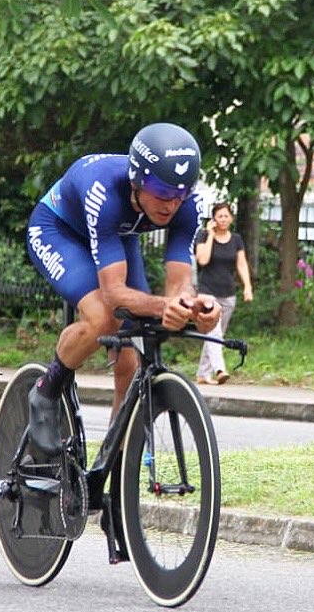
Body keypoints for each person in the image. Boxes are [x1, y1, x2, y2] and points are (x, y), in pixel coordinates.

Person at [25, 123, 221, 458]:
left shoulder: (186, 205)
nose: (171, 204)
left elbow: (179, 284)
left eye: (181, 194)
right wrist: (164, 306)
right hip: (59, 231)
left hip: (116, 235)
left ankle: (115, 463)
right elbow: (114, 293)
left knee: (132, 350)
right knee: (104, 317)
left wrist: (193, 307)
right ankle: (46, 390)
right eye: (161, 191)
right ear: (137, 180)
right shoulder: (105, 189)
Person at [194, 201, 253, 385]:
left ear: (231, 218)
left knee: (215, 336)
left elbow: (241, 264)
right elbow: (202, 260)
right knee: (214, 332)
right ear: (213, 219)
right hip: (207, 292)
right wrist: (210, 235)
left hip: (228, 293)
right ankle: (220, 369)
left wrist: (247, 287)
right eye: (219, 216)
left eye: (226, 215)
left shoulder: (236, 239)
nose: (223, 219)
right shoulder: (203, 235)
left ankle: (203, 374)